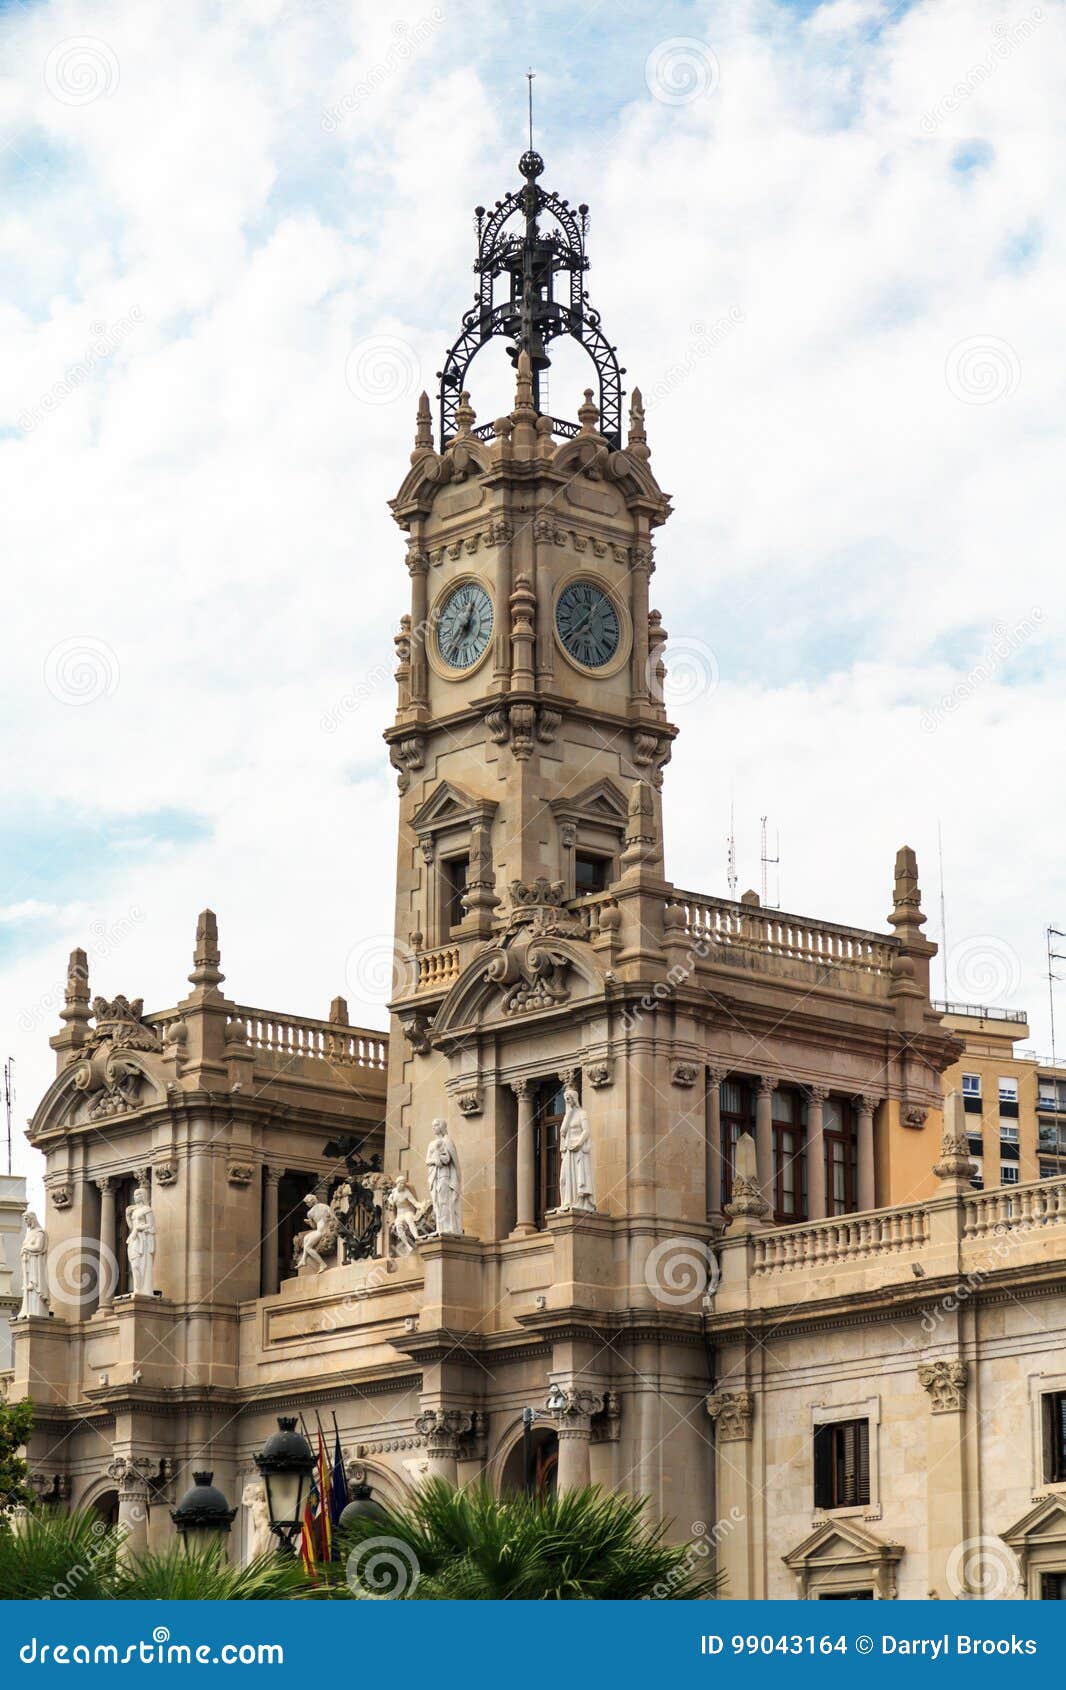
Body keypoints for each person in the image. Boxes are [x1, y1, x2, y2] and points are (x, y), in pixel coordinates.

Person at [559, 1087, 595, 1213]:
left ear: (574, 1099)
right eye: (565, 1100)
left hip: (578, 1149)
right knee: (564, 1179)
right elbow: (562, 1131)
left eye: (569, 1099)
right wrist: (568, 1115)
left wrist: (579, 1144)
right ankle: (567, 1202)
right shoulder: (567, 1116)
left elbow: (586, 1131)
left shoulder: (582, 1114)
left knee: (579, 1177)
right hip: (569, 1150)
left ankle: (579, 1201)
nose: (567, 1102)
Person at [425, 1118, 462, 1235]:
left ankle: (449, 1227)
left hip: (444, 1175)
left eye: (436, 1125)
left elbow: (450, 1160)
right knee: (437, 1202)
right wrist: (435, 1161)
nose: (433, 1128)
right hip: (434, 1176)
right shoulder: (431, 1144)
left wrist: (440, 1159)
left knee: (444, 1200)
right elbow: (427, 1160)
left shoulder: (447, 1141)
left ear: (441, 1127)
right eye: (433, 1125)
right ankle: (440, 1228)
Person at [125, 1186, 157, 1296]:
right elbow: (131, 1227)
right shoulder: (134, 1211)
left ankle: (143, 1289)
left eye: (138, 1194)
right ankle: (137, 1288)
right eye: (134, 1194)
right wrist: (128, 1216)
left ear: (143, 1196)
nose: (135, 1196)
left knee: (140, 1265)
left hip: (143, 1241)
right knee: (134, 1265)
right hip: (134, 1239)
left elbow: (151, 1227)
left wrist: (140, 1228)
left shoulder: (147, 1210)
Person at [18, 1212, 48, 1318]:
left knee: (34, 1285)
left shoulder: (40, 1233)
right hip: (28, 1262)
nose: (25, 1222)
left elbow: (38, 1247)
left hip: (36, 1263)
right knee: (27, 1286)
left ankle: (37, 1311)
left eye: (26, 1219)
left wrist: (26, 1248)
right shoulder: (29, 1233)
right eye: (24, 1219)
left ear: (32, 1219)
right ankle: (27, 1309)